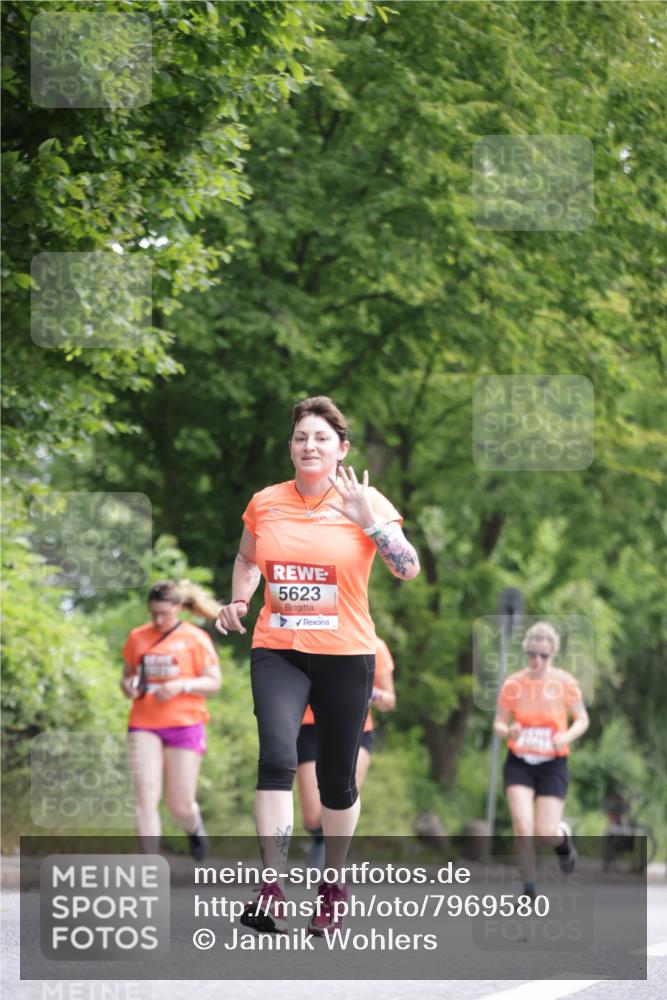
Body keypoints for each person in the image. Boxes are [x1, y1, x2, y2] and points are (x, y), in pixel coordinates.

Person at [215, 395, 419, 936]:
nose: (310, 446)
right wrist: (239, 600)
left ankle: (333, 885)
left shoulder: (367, 500)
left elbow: (408, 568)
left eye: (322, 438)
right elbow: (246, 559)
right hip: (278, 649)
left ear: (341, 449)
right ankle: (272, 886)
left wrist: (371, 523)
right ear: (291, 448)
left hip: (347, 655)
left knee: (336, 780)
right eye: (301, 437)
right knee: (277, 758)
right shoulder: (266, 502)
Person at [121, 579, 222, 860]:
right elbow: (127, 677)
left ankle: (193, 826)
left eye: (164, 614)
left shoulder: (195, 638)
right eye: (153, 613)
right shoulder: (138, 637)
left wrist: (181, 685)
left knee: (180, 805)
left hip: (185, 724)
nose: (157, 620)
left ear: (178, 607)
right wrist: (128, 685)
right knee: (144, 797)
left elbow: (214, 682)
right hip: (144, 723)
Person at [493, 620, 589, 899]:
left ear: (553, 654)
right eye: (532, 655)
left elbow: (582, 719)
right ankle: (529, 890)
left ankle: (563, 842)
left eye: (543, 656)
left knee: (545, 831)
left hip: (552, 763)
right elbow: (498, 723)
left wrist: (566, 736)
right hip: (520, 761)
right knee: (523, 827)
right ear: (526, 653)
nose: (537, 661)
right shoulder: (514, 683)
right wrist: (508, 731)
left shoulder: (564, 683)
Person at [297, 635, 397, 869]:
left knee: (341, 793)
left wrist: (370, 693)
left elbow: (390, 700)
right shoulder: (311, 635)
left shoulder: (375, 645)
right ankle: (319, 839)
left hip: (356, 729)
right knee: (313, 817)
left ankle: (334, 860)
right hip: (311, 727)